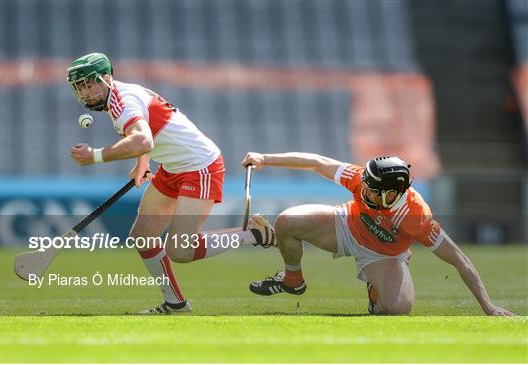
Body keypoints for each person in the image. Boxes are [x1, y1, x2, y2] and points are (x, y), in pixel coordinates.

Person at [67, 53, 276, 314]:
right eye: (80, 87)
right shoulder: (117, 99)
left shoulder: (124, 102)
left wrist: (95, 156)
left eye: (89, 84)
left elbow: (144, 141)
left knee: (181, 250)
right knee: (142, 237)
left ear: (107, 78)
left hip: (201, 167)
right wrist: (143, 164)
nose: (85, 93)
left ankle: (255, 234)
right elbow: (146, 136)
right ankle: (176, 304)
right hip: (173, 168)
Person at [242, 152, 514, 316]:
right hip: (346, 225)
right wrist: (265, 159)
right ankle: (292, 280)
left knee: (398, 310)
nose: (364, 188)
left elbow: (458, 258)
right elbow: (317, 162)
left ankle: (376, 292)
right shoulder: (362, 180)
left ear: (392, 193)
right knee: (287, 222)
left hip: (382, 254)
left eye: (372, 189)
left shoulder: (415, 216)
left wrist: (488, 306)